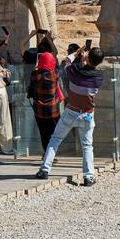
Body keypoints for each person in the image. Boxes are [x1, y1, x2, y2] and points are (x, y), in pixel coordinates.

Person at [35, 44, 104, 187]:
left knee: (55, 140)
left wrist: (78, 53)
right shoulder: (99, 77)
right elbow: (88, 72)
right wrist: (86, 61)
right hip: (87, 114)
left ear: (87, 56)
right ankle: (88, 176)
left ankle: (45, 169)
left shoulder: (74, 71)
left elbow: (67, 61)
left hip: (71, 112)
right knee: (87, 146)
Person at [28, 49, 62, 152]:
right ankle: (51, 154)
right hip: (53, 110)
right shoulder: (55, 74)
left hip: (39, 111)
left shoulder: (34, 75)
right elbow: (58, 67)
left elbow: (30, 89)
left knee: (44, 133)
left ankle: (46, 152)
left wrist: (37, 68)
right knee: (54, 133)